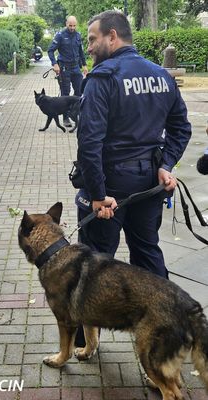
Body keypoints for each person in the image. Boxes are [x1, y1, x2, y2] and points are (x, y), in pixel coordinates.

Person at [74, 10, 192, 345]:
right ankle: (167, 333)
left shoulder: (102, 78)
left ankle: (85, 340)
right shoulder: (161, 75)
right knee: (147, 253)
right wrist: (166, 164)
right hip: (149, 185)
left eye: (93, 39)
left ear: (113, 36)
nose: (90, 47)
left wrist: (96, 194)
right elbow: (182, 128)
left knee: (96, 261)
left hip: (110, 188)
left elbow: (90, 142)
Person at [48, 16, 88, 127]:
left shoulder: (78, 35)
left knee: (79, 92)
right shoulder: (60, 36)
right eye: (70, 25)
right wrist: (54, 64)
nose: (72, 28)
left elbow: (81, 52)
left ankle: (74, 114)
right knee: (65, 94)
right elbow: (50, 50)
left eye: (74, 25)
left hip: (76, 68)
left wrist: (84, 65)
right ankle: (66, 118)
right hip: (64, 68)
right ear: (66, 24)